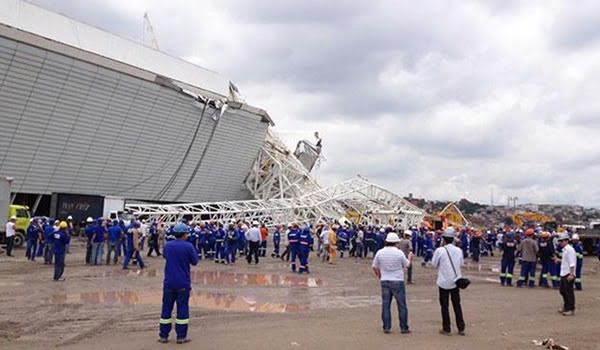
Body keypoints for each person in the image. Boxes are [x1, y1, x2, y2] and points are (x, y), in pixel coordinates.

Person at [158, 222, 199, 344]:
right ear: (185, 234)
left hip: (169, 282)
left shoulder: (168, 245)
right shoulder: (188, 246)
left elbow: (165, 256)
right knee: (182, 309)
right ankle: (181, 336)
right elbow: (195, 261)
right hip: (183, 283)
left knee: (166, 309)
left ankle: (163, 335)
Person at [372, 232, 412, 334]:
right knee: (401, 305)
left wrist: (379, 275)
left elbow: (374, 266)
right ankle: (403, 327)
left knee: (386, 305)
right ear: (396, 243)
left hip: (385, 280)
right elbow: (407, 265)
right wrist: (410, 257)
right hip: (397, 280)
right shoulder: (399, 253)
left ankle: (386, 326)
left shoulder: (380, 252)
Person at [432, 228, 466, 336]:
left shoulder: (439, 250)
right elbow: (461, 264)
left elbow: (434, 264)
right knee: (457, 305)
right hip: (455, 281)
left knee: (444, 306)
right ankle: (461, 328)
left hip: (443, 281)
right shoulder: (458, 250)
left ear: (443, 239)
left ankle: (447, 328)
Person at [553, 233, 576, 316]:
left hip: (568, 274)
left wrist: (571, 274)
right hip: (564, 273)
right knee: (562, 291)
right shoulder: (565, 250)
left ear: (566, 241)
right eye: (559, 241)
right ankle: (566, 306)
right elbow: (566, 261)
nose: (560, 243)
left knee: (569, 292)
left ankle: (570, 308)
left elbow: (572, 263)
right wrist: (559, 260)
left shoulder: (570, 250)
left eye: (561, 241)